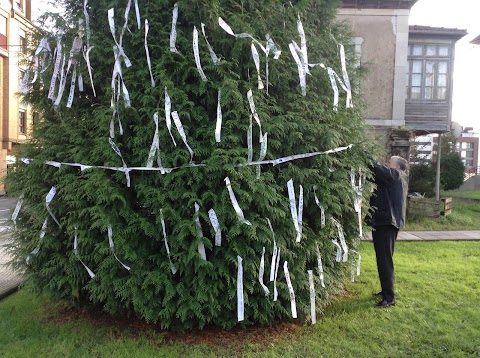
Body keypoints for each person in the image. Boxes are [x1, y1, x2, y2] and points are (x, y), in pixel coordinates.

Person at [367, 155, 408, 308]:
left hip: (386, 223)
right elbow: (375, 174)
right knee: (383, 258)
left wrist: (363, 153)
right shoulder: (393, 179)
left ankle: (389, 298)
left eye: (389, 162)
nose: (386, 164)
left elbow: (376, 167)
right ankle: (385, 291)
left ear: (396, 167)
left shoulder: (396, 176)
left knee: (385, 260)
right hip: (385, 222)